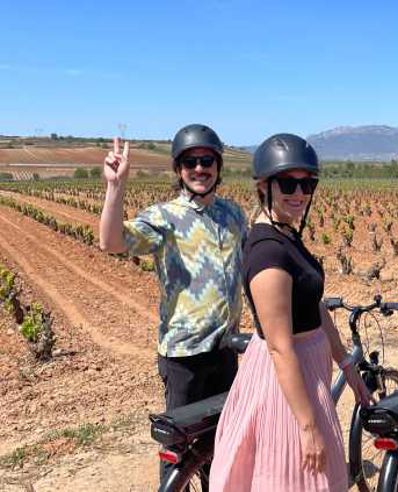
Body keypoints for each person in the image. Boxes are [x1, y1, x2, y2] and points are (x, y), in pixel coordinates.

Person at [209, 133, 372, 491]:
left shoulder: (287, 237)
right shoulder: (268, 253)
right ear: (263, 187)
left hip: (307, 375)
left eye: (307, 183)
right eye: (288, 183)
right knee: (295, 477)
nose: (299, 193)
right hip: (286, 383)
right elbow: (280, 347)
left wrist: (346, 363)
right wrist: (307, 426)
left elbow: (313, 306)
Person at [99, 124, 247, 480]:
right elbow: (113, 242)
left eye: (207, 160)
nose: (199, 168)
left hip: (226, 351)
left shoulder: (234, 216)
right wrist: (115, 187)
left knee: (223, 443)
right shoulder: (164, 217)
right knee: (178, 452)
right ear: (179, 169)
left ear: (218, 166)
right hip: (183, 357)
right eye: (190, 161)